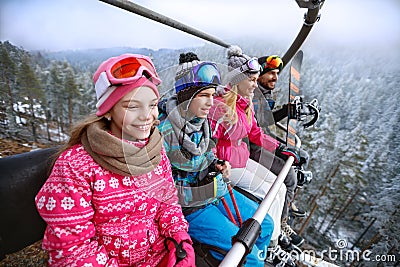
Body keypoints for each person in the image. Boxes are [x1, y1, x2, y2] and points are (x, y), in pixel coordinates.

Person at [35, 54, 195, 267]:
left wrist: (179, 238)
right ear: (108, 111)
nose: (147, 116)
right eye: (132, 106)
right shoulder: (76, 166)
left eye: (153, 104)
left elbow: (167, 203)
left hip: (158, 257)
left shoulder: (155, 149)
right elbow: (72, 250)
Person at [158, 52, 274, 267]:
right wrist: (197, 188)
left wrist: (216, 164)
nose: (211, 102)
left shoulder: (201, 122)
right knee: (250, 258)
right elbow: (159, 189)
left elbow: (207, 151)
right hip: (191, 207)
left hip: (213, 192)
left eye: (213, 95)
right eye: (204, 95)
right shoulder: (164, 133)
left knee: (265, 225)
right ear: (187, 95)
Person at [208, 46, 298, 266]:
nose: (255, 85)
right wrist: (213, 164)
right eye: (251, 81)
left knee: (281, 188)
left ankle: (275, 238)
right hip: (228, 163)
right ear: (238, 79)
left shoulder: (244, 103)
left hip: (242, 158)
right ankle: (273, 244)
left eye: (257, 80)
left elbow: (255, 133)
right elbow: (208, 139)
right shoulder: (219, 107)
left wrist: (279, 147)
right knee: (270, 192)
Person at [250, 55, 306, 247]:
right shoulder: (253, 94)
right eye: (271, 73)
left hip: (259, 140)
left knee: (300, 159)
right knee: (288, 176)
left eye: (277, 73)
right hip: (251, 147)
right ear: (259, 75)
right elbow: (254, 129)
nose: (275, 77)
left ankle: (286, 206)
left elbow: (265, 121)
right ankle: (280, 225)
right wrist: (279, 148)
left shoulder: (264, 93)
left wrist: (285, 111)